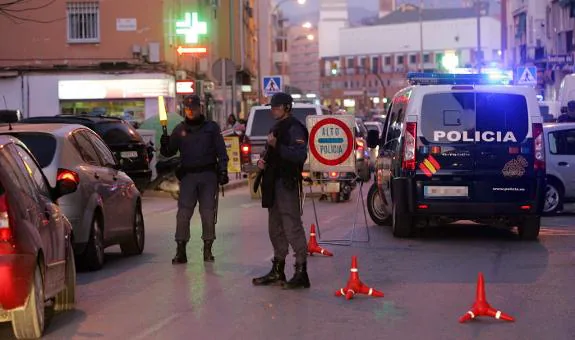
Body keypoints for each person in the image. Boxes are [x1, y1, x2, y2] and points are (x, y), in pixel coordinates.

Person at [160, 95, 229, 264]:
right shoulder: (179, 129)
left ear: (200, 108)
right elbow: (169, 152)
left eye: (194, 108)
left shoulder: (211, 128)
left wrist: (223, 171)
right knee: (183, 214)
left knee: (207, 213)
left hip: (208, 176)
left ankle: (207, 249)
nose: (191, 111)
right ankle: (181, 250)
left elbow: (221, 152)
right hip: (188, 176)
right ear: (185, 109)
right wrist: (165, 143)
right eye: (188, 108)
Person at [252, 92, 310, 290]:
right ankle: (278, 269)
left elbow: (299, 155)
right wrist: (262, 161)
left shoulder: (295, 128)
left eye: (276, 107)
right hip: (272, 183)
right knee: (274, 227)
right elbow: (270, 152)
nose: (273, 110)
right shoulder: (277, 126)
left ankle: (301, 272)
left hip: (286, 183)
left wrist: (278, 146)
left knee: (292, 226)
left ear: (287, 107)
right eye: (272, 107)